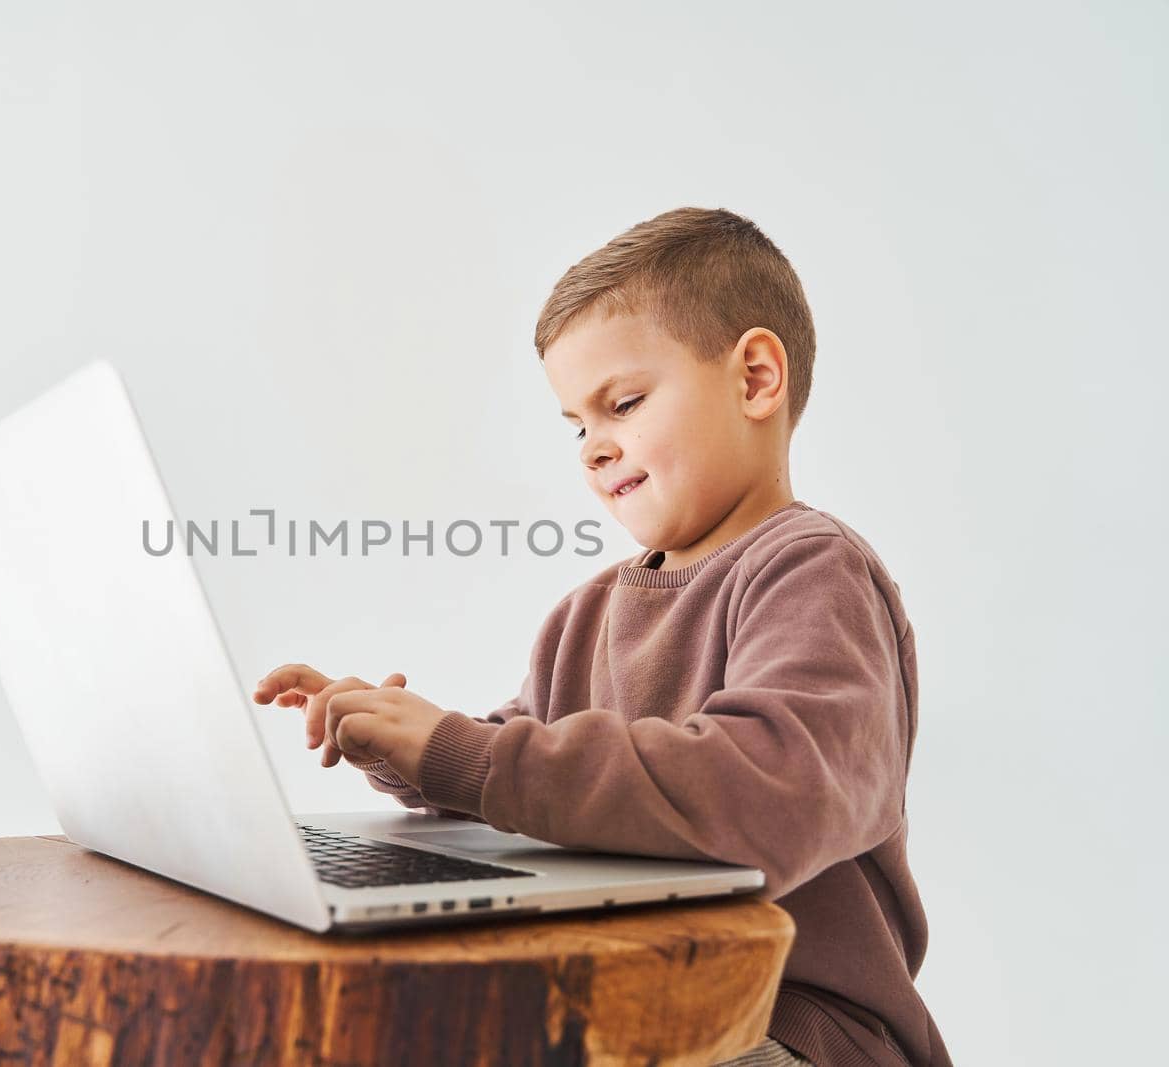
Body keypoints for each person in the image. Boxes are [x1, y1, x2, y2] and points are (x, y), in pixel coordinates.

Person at [253, 207, 952, 1066]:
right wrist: (409, 747)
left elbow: (771, 791)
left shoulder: (811, 571)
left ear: (757, 379)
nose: (591, 449)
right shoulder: (584, 614)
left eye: (621, 404)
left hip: (782, 1027)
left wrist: (468, 755)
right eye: (576, 425)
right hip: (632, 1001)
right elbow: (531, 762)